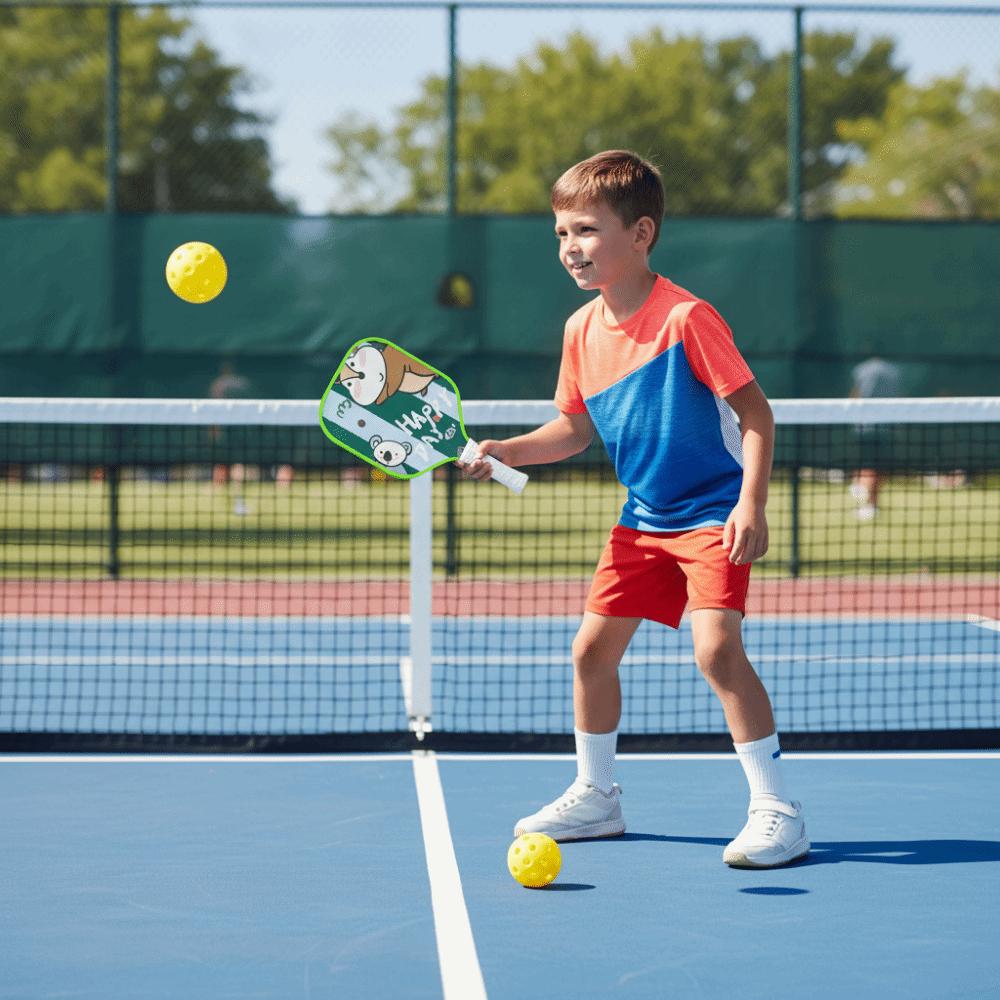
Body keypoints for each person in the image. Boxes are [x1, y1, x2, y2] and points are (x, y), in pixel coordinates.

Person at [459, 150, 808, 869]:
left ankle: (777, 810)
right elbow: (575, 429)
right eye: (561, 234)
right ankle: (597, 796)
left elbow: (757, 417)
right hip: (643, 518)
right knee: (590, 652)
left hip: (711, 511)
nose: (569, 248)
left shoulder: (686, 318)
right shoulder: (580, 331)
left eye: (585, 231)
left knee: (715, 648)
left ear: (641, 233)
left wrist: (751, 503)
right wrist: (506, 449)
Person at [849, 355, 902, 520]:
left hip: (866, 425)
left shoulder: (861, 369)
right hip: (885, 426)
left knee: (870, 464)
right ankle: (870, 500)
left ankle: (867, 499)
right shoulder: (895, 371)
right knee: (878, 465)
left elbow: (855, 394)